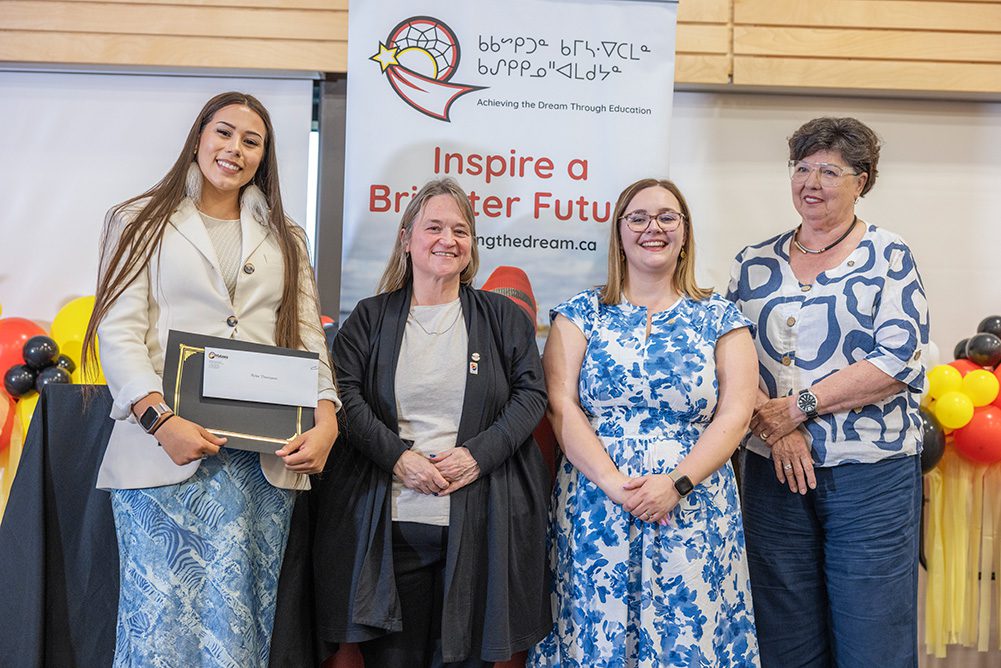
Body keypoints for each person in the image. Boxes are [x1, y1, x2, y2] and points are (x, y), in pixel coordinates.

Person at [81, 91, 340, 667]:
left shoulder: (286, 237)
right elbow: (119, 335)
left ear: (264, 157)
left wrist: (327, 421)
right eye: (224, 133)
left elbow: (307, 339)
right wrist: (159, 419)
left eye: (252, 141)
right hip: (161, 454)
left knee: (237, 632)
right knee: (158, 632)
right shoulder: (138, 219)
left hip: (259, 463)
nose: (235, 149)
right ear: (199, 136)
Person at [311, 178, 551, 667]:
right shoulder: (369, 317)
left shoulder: (503, 318)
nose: (448, 240)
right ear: (406, 238)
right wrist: (398, 459)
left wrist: (477, 456)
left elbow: (532, 395)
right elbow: (344, 396)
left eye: (460, 230)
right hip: (392, 527)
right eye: (434, 227)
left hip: (480, 525)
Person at [529, 178, 760, 667]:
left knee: (688, 638)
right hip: (597, 503)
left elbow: (736, 414)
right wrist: (615, 485)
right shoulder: (578, 316)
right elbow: (561, 407)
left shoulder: (721, 318)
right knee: (596, 634)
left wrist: (677, 484)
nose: (652, 228)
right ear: (618, 233)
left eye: (666, 217)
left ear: (684, 232)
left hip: (694, 505)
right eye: (638, 217)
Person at [727, 117, 929, 666]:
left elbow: (897, 358)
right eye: (801, 167)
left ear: (862, 180)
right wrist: (778, 432)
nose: (810, 181)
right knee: (784, 630)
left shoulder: (890, 255)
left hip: (872, 473)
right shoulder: (752, 262)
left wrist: (797, 410)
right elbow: (730, 361)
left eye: (828, 170)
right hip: (773, 469)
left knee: (872, 630)